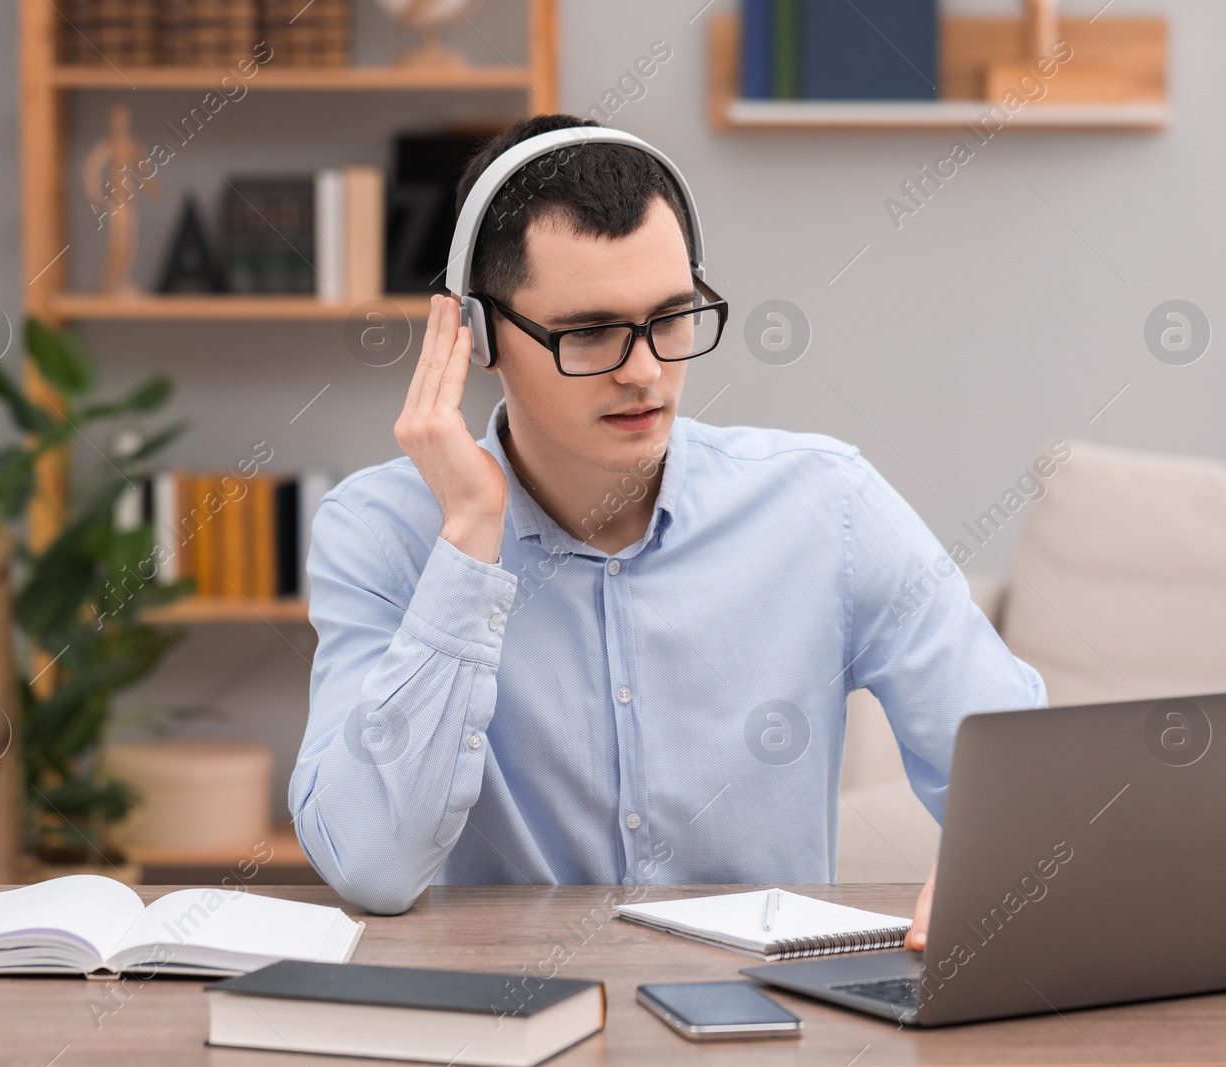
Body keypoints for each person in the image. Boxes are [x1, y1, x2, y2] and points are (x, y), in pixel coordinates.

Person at [287, 115, 1047, 934]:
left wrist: (991, 871)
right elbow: (371, 864)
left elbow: (1028, 777)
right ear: (478, 335)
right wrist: (468, 536)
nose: (646, 373)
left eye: (671, 317)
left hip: (770, 1022)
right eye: (590, 332)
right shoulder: (379, 533)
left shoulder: (829, 506)